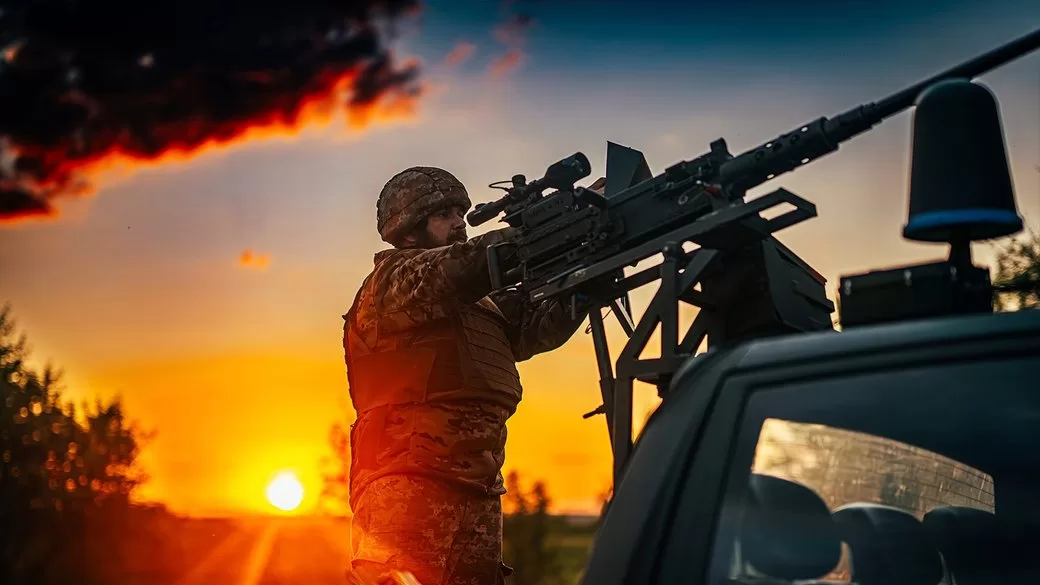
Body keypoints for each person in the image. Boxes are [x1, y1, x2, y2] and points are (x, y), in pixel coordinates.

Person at [342, 166, 596, 585]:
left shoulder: (483, 303)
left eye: (461, 211)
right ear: (408, 230)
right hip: (408, 484)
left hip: (478, 487)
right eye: (444, 213)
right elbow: (459, 267)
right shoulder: (390, 284)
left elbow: (535, 330)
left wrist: (583, 279)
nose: (459, 221)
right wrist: (530, 236)